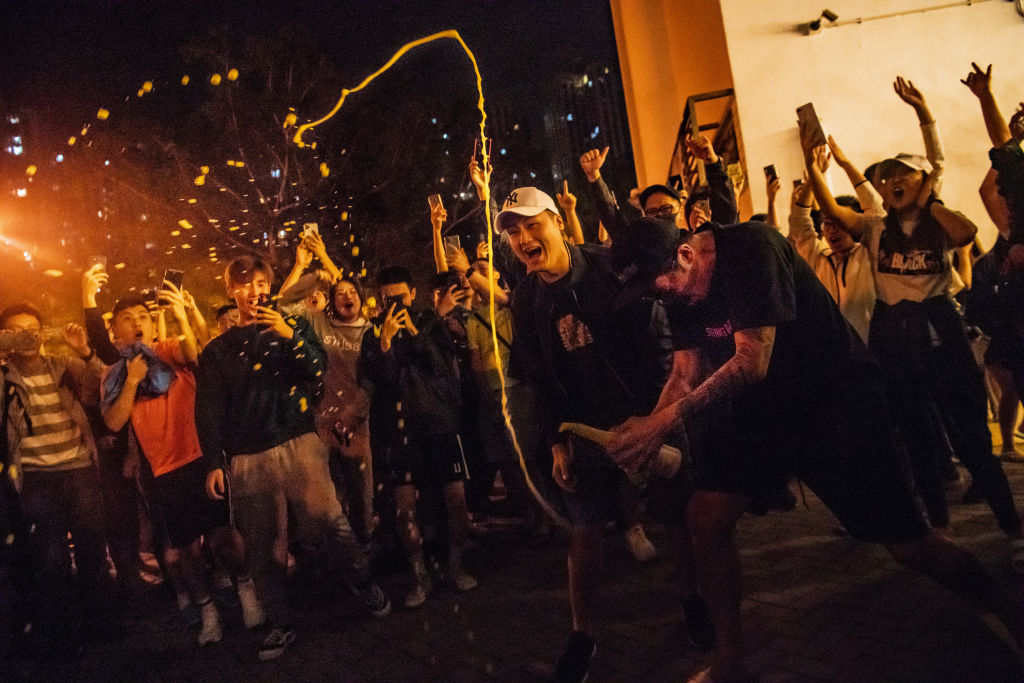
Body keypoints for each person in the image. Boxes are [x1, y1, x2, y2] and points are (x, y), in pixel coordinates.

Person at [605, 220, 1024, 682]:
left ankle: (1010, 610)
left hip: (834, 407)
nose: (656, 298)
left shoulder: (752, 248)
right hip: (763, 416)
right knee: (706, 517)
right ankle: (729, 661)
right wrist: (649, 428)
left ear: (685, 255)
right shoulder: (678, 293)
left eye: (656, 286)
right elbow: (686, 373)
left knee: (910, 546)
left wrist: (661, 425)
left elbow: (751, 361)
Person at [803, 129, 1024, 559]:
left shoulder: (938, 223)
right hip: (895, 341)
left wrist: (930, 202)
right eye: (888, 177)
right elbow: (833, 210)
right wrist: (814, 168)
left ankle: (1013, 529)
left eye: (905, 174)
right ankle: (939, 527)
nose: (894, 182)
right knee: (918, 439)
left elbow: (965, 232)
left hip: (942, 336)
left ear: (924, 182)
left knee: (973, 441)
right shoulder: (874, 228)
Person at [497, 187, 676, 683]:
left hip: (645, 416)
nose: (523, 238)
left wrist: (654, 417)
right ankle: (583, 634)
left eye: (532, 224)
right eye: (513, 232)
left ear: (558, 222)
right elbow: (537, 377)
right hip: (583, 430)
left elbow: (657, 342)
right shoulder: (526, 300)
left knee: (676, 514)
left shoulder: (609, 268)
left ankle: (693, 599)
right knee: (584, 528)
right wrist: (557, 442)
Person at [196, 255, 390, 662]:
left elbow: (317, 371)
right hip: (249, 456)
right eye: (245, 284)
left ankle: (361, 579)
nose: (255, 291)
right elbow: (209, 408)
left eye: (261, 283)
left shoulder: (293, 326)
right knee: (263, 545)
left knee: (329, 521)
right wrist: (214, 460)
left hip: (299, 440)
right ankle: (280, 620)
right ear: (231, 290)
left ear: (269, 286)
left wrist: (289, 336)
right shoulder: (217, 351)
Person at [100, 283, 260, 646]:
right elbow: (114, 421)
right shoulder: (113, 374)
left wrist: (181, 313)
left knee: (224, 536)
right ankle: (207, 609)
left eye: (143, 316)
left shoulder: (168, 348)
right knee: (186, 548)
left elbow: (191, 351)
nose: (138, 323)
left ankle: (246, 590)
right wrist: (132, 380)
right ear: (115, 332)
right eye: (128, 319)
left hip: (202, 458)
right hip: (163, 470)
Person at [1, 303, 120, 656]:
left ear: (41, 333)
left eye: (32, 329)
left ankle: (99, 624)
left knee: (92, 550)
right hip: (36, 477)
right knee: (50, 559)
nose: (26, 336)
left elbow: (103, 384)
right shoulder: (5, 376)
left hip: (79, 468)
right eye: (16, 331)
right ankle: (61, 632)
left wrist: (84, 351)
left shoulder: (62, 364)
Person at [358, 265, 477, 609]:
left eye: (400, 297)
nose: (395, 305)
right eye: (388, 299)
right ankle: (419, 575)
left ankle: (455, 567)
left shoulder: (433, 322)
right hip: (399, 429)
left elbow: (438, 364)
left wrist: (425, 325)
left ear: (412, 293)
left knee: (456, 500)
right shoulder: (373, 332)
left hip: (439, 423)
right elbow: (381, 377)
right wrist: (384, 342)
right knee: (404, 510)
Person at [279, 234, 376, 547]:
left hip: (356, 425)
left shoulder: (370, 331)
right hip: (320, 424)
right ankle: (337, 554)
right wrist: (304, 269)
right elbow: (283, 304)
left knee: (361, 495)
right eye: (340, 294)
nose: (347, 296)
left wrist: (353, 414)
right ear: (332, 301)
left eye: (353, 293)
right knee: (328, 495)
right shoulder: (320, 324)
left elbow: (372, 379)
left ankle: (364, 550)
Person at [578, 134, 737, 244]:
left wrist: (712, 163)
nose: (660, 215)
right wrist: (594, 177)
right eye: (652, 212)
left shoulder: (699, 244)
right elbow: (614, 220)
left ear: (680, 211)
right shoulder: (643, 253)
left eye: (666, 208)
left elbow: (726, 215)